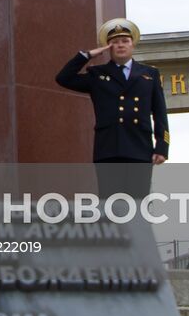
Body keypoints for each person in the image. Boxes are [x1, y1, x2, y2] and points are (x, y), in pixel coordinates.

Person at [55, 18, 169, 200]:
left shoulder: (149, 75)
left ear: (133, 45)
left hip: (139, 148)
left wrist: (162, 147)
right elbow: (63, 78)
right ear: (108, 48)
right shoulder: (98, 75)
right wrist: (87, 55)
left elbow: (160, 113)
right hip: (109, 149)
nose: (120, 45)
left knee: (137, 206)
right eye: (114, 42)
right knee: (111, 207)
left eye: (125, 41)